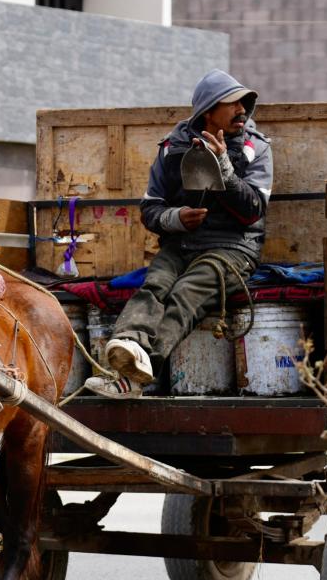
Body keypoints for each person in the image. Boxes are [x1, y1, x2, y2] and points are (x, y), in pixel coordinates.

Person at [104, 69, 273, 387]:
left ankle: (137, 375)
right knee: (155, 285)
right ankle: (125, 346)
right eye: (232, 103)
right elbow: (151, 209)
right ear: (208, 111)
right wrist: (177, 218)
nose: (242, 110)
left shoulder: (256, 149)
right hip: (181, 243)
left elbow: (253, 211)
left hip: (233, 249)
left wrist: (224, 166)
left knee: (186, 294)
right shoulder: (172, 149)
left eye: (243, 103)